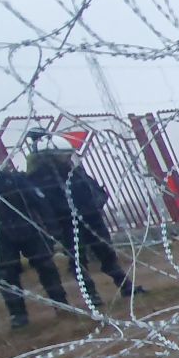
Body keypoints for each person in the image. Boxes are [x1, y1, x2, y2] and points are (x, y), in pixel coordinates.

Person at [23, 132, 141, 308]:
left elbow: (93, 189)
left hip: (91, 218)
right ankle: (91, 295)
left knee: (106, 252)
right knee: (78, 260)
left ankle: (126, 286)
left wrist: (97, 202)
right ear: (50, 158)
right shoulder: (40, 179)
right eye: (63, 155)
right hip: (67, 223)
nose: (67, 158)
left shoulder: (74, 172)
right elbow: (44, 205)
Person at [0, 146, 69, 329]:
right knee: (6, 276)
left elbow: (39, 202)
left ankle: (61, 303)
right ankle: (18, 315)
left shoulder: (11, 179)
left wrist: (52, 230)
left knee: (46, 266)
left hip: (28, 230)